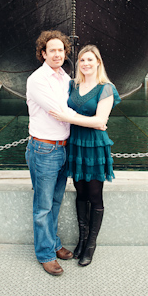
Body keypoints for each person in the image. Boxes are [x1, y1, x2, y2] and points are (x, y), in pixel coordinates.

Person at [49, 45, 120, 266]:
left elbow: (100, 121)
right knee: (80, 193)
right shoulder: (73, 85)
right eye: (82, 60)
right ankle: (81, 240)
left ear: (98, 62)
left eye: (90, 60)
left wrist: (68, 117)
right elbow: (91, 120)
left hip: (95, 147)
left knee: (95, 195)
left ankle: (91, 244)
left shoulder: (106, 88)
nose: (86, 64)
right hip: (76, 144)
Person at [25, 30, 75, 276]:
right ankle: (45, 253)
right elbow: (59, 110)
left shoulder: (65, 77)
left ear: (65, 53)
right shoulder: (37, 80)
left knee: (55, 201)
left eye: (61, 50)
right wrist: (95, 119)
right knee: (43, 205)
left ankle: (53, 244)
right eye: (52, 50)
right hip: (44, 149)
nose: (57, 54)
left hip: (63, 147)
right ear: (43, 53)